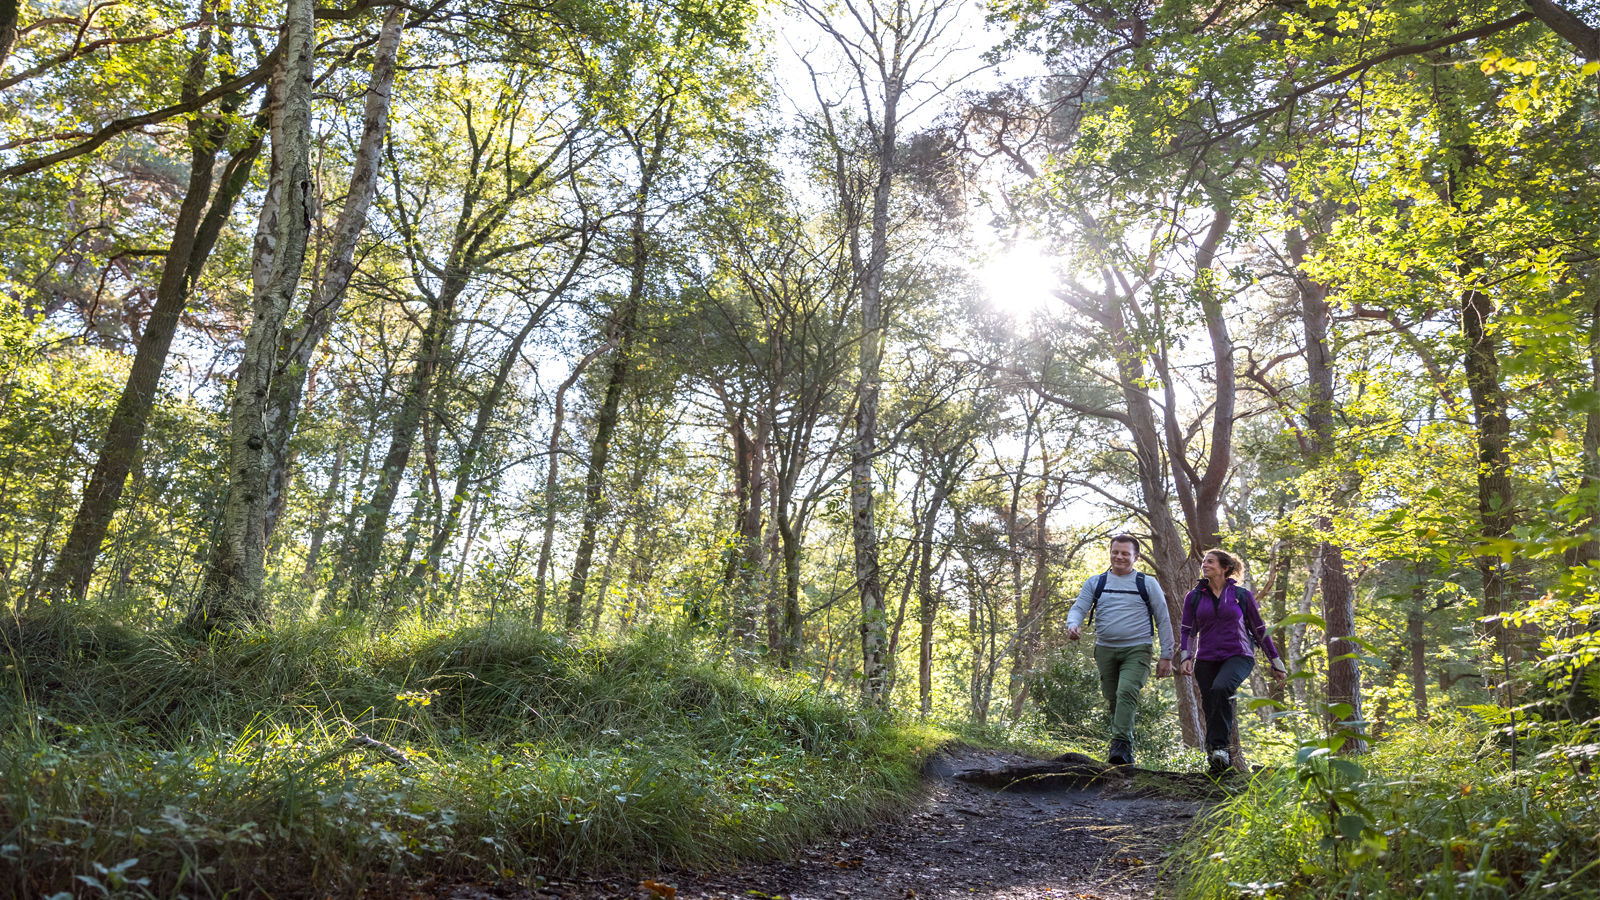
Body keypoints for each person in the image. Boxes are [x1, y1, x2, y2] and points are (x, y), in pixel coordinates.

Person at [1177, 548, 1288, 776]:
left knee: (1222, 687)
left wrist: (1276, 662)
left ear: (1224, 568)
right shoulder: (1194, 596)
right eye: (1204, 562)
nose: (1204, 565)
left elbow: (1259, 629)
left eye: (1210, 562)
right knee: (1210, 707)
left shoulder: (1241, 595)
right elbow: (1188, 630)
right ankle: (1217, 764)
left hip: (1239, 655)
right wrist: (1186, 657)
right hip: (1205, 658)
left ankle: (1220, 750)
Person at [1066, 534, 1174, 766]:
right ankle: (1126, 753)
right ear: (1110, 553)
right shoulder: (1096, 582)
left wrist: (1167, 655)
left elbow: (1163, 619)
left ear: (1136, 556)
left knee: (1126, 692)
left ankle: (1119, 748)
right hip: (1105, 650)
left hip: (1137, 649)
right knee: (1113, 698)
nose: (1120, 557)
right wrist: (1072, 624)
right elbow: (1079, 608)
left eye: (1125, 553)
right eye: (1116, 552)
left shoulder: (1147, 583)